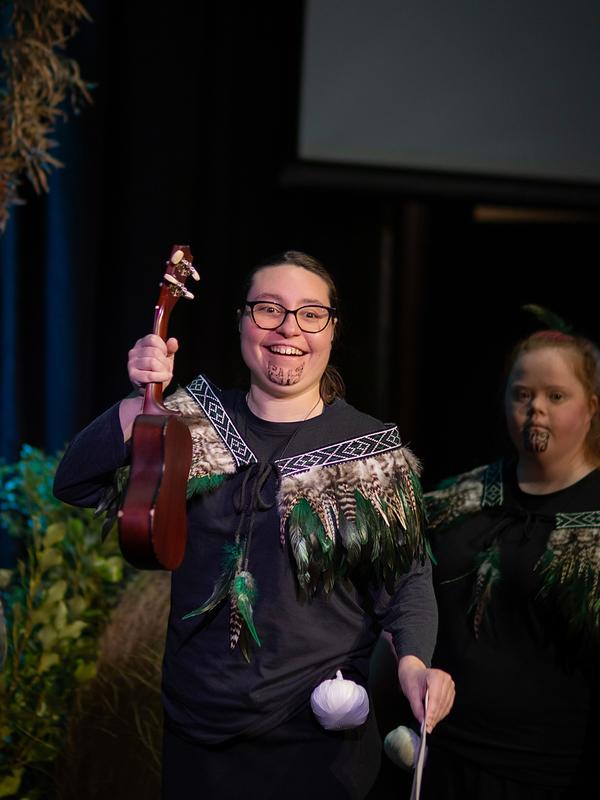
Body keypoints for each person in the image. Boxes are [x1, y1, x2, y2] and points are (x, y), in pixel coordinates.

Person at [53, 250, 455, 800]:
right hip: (198, 731)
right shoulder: (191, 419)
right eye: (269, 309)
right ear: (242, 321)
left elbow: (406, 585)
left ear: (332, 331)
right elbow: (75, 481)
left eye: (311, 313)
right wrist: (141, 397)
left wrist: (413, 664)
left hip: (315, 741)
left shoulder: (370, 450)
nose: (289, 328)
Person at [418, 326, 600, 799]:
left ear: (591, 408)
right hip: (443, 754)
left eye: (556, 395)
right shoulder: (459, 499)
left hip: (545, 771)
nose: (536, 407)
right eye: (522, 394)